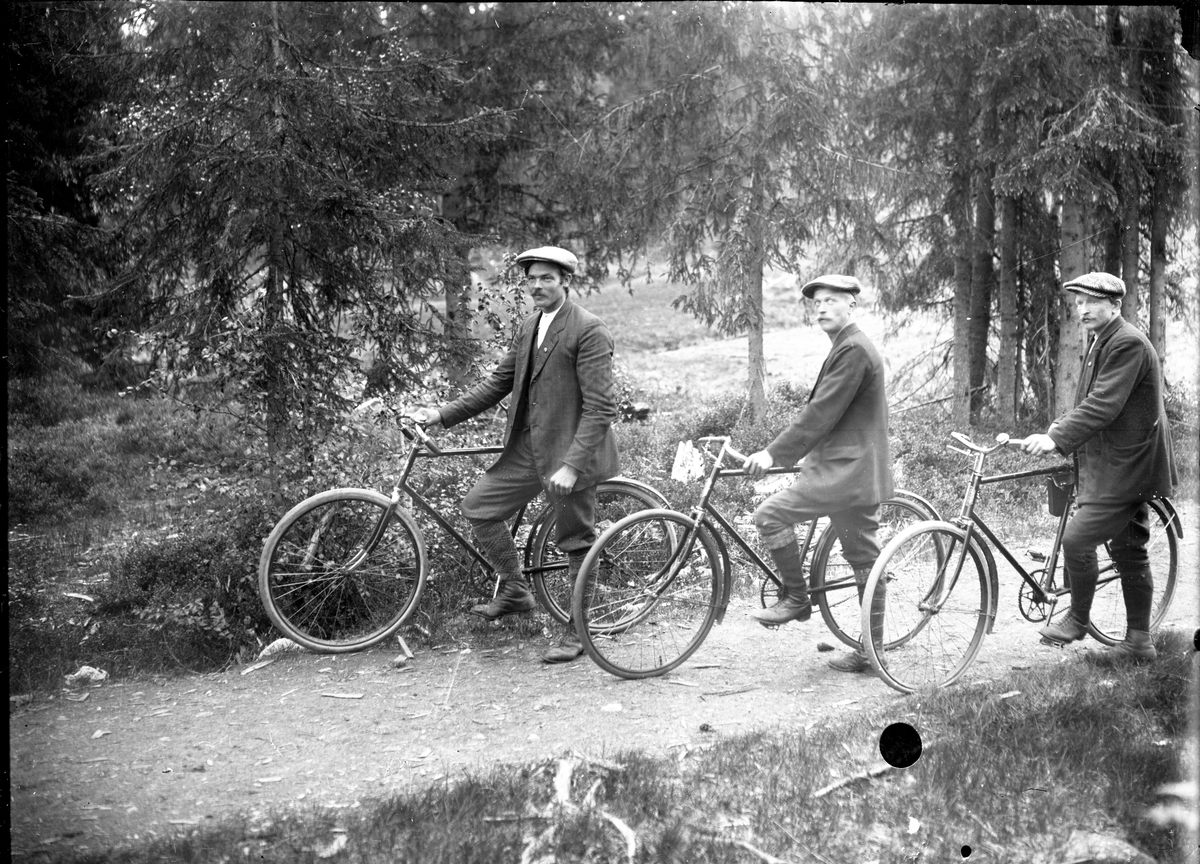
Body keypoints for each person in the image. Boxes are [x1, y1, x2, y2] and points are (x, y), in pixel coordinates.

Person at [410, 246, 620, 664]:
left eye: (547, 278)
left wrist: (572, 465)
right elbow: (496, 384)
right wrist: (439, 414)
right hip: (529, 451)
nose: (538, 286)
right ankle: (515, 588)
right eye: (531, 279)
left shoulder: (588, 330)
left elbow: (601, 408)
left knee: (575, 541)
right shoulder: (529, 326)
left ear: (566, 281)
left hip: (569, 456)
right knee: (479, 507)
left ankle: (578, 633)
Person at [1020, 272, 1176, 664]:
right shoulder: (1103, 341)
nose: (1083, 309)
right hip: (1116, 461)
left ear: (1114, 305)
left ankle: (1077, 619)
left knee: (1075, 539)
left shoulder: (1126, 343)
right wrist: (1059, 431)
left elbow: (1104, 404)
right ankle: (1139, 643)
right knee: (1128, 550)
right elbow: (1092, 403)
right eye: (1079, 303)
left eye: (1092, 302)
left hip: (1129, 465)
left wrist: (1056, 437)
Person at [743, 274, 894, 673]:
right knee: (864, 556)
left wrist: (773, 454)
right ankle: (871, 652)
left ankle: (796, 598)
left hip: (846, 471)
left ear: (852, 306)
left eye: (831, 300)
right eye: (817, 302)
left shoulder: (854, 350)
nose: (822, 308)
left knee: (769, 515)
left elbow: (821, 413)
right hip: (848, 467)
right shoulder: (847, 346)